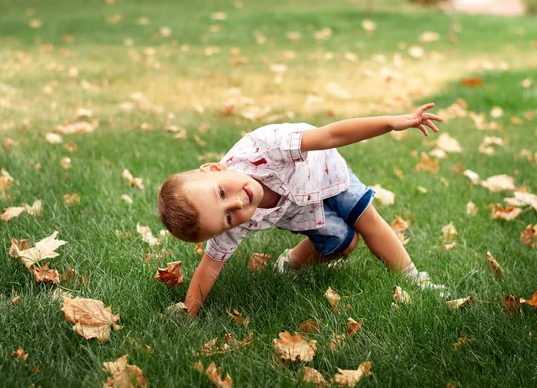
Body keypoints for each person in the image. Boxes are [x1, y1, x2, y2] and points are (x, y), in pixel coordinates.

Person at [158, 103, 447, 317]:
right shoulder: (229, 221)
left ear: (214, 168)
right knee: (344, 242)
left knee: (365, 216)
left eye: (221, 192)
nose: (237, 203)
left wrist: (391, 122)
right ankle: (291, 262)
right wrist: (188, 311)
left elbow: (332, 135)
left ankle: (414, 278)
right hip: (299, 206)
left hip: (325, 170)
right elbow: (209, 267)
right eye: (228, 217)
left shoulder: (265, 148)